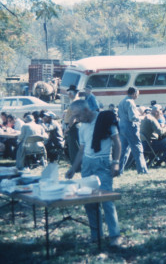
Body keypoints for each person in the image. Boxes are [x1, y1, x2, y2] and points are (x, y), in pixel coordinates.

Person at [65, 100, 121, 247]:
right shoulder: (81, 127)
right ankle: (96, 235)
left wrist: (116, 162)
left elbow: (117, 143)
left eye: (77, 115)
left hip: (102, 163)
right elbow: (81, 150)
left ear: (86, 110)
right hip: (87, 166)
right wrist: (73, 168)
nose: (76, 118)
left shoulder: (105, 119)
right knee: (89, 202)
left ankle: (114, 235)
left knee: (107, 200)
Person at [118, 87, 148, 175]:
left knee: (124, 150)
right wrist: (142, 117)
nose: (138, 96)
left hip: (122, 127)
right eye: (138, 94)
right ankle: (142, 170)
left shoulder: (122, 101)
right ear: (134, 93)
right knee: (137, 149)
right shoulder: (130, 102)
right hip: (130, 128)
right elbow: (133, 117)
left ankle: (118, 171)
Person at [63, 85, 80, 165]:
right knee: (74, 146)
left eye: (70, 93)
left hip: (73, 126)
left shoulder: (75, 102)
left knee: (73, 147)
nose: (68, 95)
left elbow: (74, 117)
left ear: (74, 93)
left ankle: (76, 165)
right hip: (73, 126)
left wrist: (68, 128)